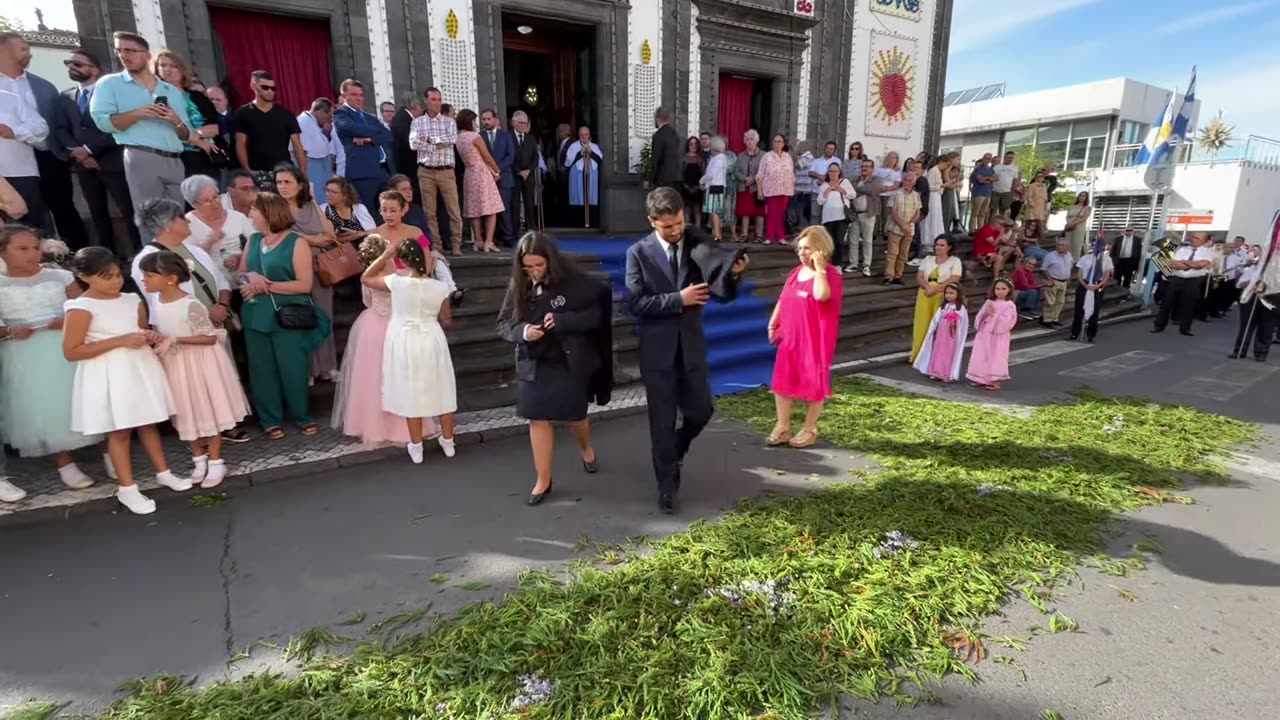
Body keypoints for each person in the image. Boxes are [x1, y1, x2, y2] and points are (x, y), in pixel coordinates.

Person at [625, 187, 749, 514]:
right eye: (668, 226)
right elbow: (636, 303)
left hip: (691, 349)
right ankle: (667, 485)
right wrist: (679, 299)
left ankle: (678, 447)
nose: (676, 230)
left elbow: (721, 289)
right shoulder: (637, 253)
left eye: (679, 222)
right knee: (661, 424)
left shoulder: (696, 242)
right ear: (653, 222)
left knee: (702, 410)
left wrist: (733, 275)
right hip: (658, 354)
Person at [63, 246, 191, 515]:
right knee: (120, 430)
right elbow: (72, 350)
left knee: (148, 422)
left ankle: (163, 472)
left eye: (117, 274)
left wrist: (149, 337)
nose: (116, 281)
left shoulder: (132, 299)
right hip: (109, 372)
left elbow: (140, 329)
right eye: (106, 277)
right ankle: (127, 488)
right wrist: (121, 340)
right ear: (85, 277)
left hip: (139, 366)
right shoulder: (80, 307)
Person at [498, 231, 612, 504]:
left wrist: (564, 320)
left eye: (539, 266)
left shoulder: (576, 284)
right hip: (534, 362)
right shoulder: (519, 285)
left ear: (551, 260)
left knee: (575, 417)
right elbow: (504, 323)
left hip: (567, 361)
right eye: (528, 268)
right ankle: (543, 479)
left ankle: (586, 448)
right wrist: (524, 331)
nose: (534, 272)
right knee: (537, 419)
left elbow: (596, 316)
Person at [0, 224, 102, 491]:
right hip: (25, 352)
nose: (31, 254)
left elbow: (85, 307)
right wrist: (10, 330)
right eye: (22, 249)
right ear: (3, 252)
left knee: (85, 395)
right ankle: (65, 464)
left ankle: (110, 452)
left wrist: (69, 319)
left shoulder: (59, 277)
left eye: (35, 248)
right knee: (45, 407)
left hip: (66, 342)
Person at [140, 251, 249, 488]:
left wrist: (175, 339)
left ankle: (217, 461)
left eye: (149, 275)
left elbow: (208, 338)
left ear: (170, 278)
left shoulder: (190, 303)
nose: (143, 280)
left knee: (206, 408)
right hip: (175, 363)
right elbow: (162, 329)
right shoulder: (156, 302)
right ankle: (198, 459)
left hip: (198, 363)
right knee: (186, 410)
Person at [237, 192, 332, 439]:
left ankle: (302, 416)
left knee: (293, 368)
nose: (250, 214)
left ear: (268, 213)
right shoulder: (254, 240)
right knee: (261, 370)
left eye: (254, 211)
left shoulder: (296, 242)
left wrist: (266, 285)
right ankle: (270, 419)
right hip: (256, 315)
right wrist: (250, 278)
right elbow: (241, 274)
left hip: (287, 316)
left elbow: (304, 284)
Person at [333, 234, 438, 447]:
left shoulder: (370, 278)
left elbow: (367, 300)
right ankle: (402, 426)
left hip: (371, 327)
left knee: (372, 379)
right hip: (395, 327)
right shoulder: (399, 276)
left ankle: (372, 425)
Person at [361, 236, 457, 462]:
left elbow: (366, 278)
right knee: (441, 387)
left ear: (402, 261)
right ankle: (448, 441)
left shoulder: (396, 281)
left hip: (405, 339)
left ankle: (416, 446)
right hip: (432, 337)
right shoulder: (440, 286)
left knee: (411, 389)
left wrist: (385, 255)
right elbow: (446, 318)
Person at [89, 31, 193, 212]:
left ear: (147, 54)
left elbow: (186, 135)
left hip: (175, 159)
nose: (124, 55)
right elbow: (103, 123)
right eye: (119, 50)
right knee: (152, 219)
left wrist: (175, 120)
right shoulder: (110, 83)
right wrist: (138, 113)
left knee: (178, 220)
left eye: (130, 50)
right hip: (141, 156)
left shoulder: (170, 90)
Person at [54, 47, 141, 255]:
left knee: (128, 211)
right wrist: (79, 153)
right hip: (83, 165)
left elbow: (120, 127)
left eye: (78, 64)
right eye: (69, 63)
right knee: (97, 213)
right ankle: (106, 257)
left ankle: (139, 255)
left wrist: (89, 150)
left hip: (113, 161)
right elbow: (60, 128)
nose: (72, 67)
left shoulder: (112, 95)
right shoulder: (65, 96)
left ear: (94, 70)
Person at [766, 226, 842, 447]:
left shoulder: (831, 275)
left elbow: (821, 295)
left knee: (813, 383)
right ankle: (783, 426)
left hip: (814, 338)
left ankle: (809, 429)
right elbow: (784, 298)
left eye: (807, 248)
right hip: (790, 335)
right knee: (782, 381)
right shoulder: (795, 272)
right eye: (799, 248)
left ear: (821, 249)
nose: (801, 252)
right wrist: (774, 322)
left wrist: (820, 269)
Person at [273, 163, 339, 382]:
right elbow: (282, 235)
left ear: (300, 185)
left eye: (287, 182)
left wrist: (317, 238)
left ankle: (328, 367)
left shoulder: (312, 206)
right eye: (279, 182)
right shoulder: (275, 208)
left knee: (324, 314)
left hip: (319, 265)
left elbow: (329, 234)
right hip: (291, 267)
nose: (282, 186)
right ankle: (308, 369)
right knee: (301, 317)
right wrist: (310, 239)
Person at [131, 198, 232, 324]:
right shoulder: (146, 260)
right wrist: (202, 318)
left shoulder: (196, 251)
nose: (188, 220)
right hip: (183, 333)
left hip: (217, 329)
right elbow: (157, 303)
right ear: (166, 224)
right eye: (181, 217)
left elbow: (222, 282)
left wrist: (222, 305)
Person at [0, 32, 54, 238]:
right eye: (23, 48)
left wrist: (14, 131)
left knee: (29, 231)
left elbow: (40, 127)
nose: (28, 53)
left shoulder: (8, 96)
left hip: (19, 172)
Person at [372, 190, 461, 301]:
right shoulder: (375, 234)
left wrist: (424, 274)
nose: (388, 215)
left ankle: (451, 291)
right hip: (390, 279)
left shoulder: (416, 231)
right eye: (384, 210)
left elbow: (426, 251)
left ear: (402, 211)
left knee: (436, 262)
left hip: (415, 274)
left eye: (393, 210)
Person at [153, 49, 223, 180]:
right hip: (176, 159)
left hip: (207, 159)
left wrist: (191, 135)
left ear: (182, 70)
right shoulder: (157, 98)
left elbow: (214, 129)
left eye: (173, 66)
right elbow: (166, 131)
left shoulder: (197, 97)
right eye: (163, 65)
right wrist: (199, 142)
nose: (168, 69)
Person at [409, 87, 463, 255]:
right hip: (426, 170)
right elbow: (413, 144)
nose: (437, 103)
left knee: (453, 209)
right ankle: (436, 244)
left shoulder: (449, 122)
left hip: (446, 171)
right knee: (429, 211)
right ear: (426, 100)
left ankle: (456, 244)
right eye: (433, 99)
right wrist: (436, 145)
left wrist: (429, 140)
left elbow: (451, 139)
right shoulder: (417, 122)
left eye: (439, 99)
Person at [334, 79, 392, 223]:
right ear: (344, 95)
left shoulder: (368, 117)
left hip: (381, 170)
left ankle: (386, 241)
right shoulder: (341, 114)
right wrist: (376, 131)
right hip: (361, 172)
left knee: (388, 209)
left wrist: (369, 139)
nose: (359, 98)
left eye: (361, 95)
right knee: (366, 213)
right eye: (354, 94)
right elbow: (352, 128)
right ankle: (371, 243)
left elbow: (388, 135)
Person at [233, 71, 303, 189]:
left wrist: (302, 174)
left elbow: (298, 146)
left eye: (273, 88)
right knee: (261, 207)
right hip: (257, 173)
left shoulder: (286, 114)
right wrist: (247, 170)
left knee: (286, 206)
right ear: (253, 86)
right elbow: (241, 144)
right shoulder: (243, 114)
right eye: (265, 87)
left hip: (284, 171)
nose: (270, 91)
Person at [455, 109, 504, 253]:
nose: (476, 123)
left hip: (469, 174)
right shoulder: (474, 136)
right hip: (482, 173)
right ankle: (489, 242)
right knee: (491, 209)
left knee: (474, 210)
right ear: (469, 121)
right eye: (474, 120)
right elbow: (486, 156)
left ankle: (478, 241)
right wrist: (496, 170)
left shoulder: (459, 137)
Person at [909, 235, 963, 363]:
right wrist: (927, 287)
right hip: (925, 293)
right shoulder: (928, 259)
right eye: (937, 245)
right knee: (921, 324)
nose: (938, 247)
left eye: (942, 245)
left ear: (949, 247)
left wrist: (937, 289)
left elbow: (954, 278)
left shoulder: (955, 261)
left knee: (940, 325)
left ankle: (936, 356)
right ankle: (917, 354)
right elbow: (920, 276)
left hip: (943, 294)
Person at [1153, 232, 1212, 336]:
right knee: (1166, 302)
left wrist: (1185, 263)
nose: (1194, 239)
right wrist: (1191, 264)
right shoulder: (1182, 249)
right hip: (1175, 278)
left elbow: (1201, 265)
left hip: (1193, 281)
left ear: (1204, 241)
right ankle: (1159, 325)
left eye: (1197, 238)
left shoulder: (1207, 252)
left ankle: (1185, 328)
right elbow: (1172, 263)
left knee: (1188, 305)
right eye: (1193, 237)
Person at [966, 277, 1018, 390]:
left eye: (1003, 289)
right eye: (997, 288)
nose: (1000, 291)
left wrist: (994, 317)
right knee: (982, 354)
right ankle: (980, 377)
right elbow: (980, 316)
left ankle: (994, 380)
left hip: (998, 335)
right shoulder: (989, 302)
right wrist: (984, 316)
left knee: (996, 355)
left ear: (1009, 290)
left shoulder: (1009, 305)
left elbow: (1008, 321)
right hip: (985, 332)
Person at [912, 283, 968, 383]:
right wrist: (934, 329)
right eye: (946, 293)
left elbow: (963, 323)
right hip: (941, 333)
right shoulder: (944, 306)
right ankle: (935, 371)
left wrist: (955, 322)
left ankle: (945, 373)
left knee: (948, 353)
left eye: (952, 293)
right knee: (938, 351)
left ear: (958, 294)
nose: (948, 295)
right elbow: (936, 319)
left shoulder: (960, 308)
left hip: (951, 335)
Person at [479, 108, 516, 246]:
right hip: (486, 178)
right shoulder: (479, 136)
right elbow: (478, 157)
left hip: (504, 177)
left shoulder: (505, 136)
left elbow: (510, 156)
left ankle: (508, 237)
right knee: (488, 210)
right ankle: (490, 238)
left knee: (505, 209)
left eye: (489, 119)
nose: (486, 122)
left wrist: (497, 170)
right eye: (484, 119)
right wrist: (490, 171)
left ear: (495, 119)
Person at [294, 98, 342, 195]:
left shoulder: (311, 121)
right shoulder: (304, 122)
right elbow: (301, 151)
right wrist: (303, 175)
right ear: (321, 112)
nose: (330, 118)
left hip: (320, 168)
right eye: (329, 114)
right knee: (318, 198)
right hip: (312, 167)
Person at [882, 168, 921, 286]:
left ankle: (898, 276)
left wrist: (909, 224)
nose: (907, 182)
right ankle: (889, 276)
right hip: (895, 227)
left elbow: (917, 211)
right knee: (892, 253)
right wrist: (902, 224)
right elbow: (892, 211)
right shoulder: (895, 193)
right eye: (905, 180)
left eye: (909, 180)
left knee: (903, 254)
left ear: (914, 183)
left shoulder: (916, 195)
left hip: (909, 229)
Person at [1071, 236, 1113, 343]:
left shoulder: (1107, 259)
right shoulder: (1085, 258)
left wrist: (1098, 286)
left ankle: (1091, 334)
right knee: (1079, 309)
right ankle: (1075, 332)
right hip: (1084, 283)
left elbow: (1107, 275)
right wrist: (1084, 284)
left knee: (1095, 310)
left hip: (1098, 285)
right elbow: (1079, 273)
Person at [757, 134, 795, 245]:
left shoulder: (787, 156)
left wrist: (792, 188)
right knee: (771, 213)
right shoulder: (767, 156)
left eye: (779, 141)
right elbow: (760, 175)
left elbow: (791, 174)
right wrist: (760, 190)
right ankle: (769, 236)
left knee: (781, 214)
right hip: (771, 190)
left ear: (783, 143)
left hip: (785, 190)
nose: (777, 143)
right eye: (775, 141)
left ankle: (781, 237)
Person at [850, 158, 884, 276]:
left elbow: (873, 189)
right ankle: (853, 264)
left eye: (867, 166)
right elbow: (851, 193)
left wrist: (858, 190)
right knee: (853, 240)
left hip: (868, 214)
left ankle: (866, 265)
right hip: (855, 214)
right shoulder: (855, 180)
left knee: (867, 240)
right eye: (863, 166)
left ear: (872, 169)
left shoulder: (876, 180)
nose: (864, 168)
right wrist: (863, 191)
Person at [815, 162, 853, 268]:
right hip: (828, 218)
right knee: (829, 242)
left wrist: (842, 190)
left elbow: (853, 194)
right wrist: (827, 191)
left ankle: (837, 265)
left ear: (839, 172)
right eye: (831, 171)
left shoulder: (845, 182)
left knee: (839, 242)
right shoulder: (824, 185)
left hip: (841, 217)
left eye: (835, 171)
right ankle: (828, 264)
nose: (833, 173)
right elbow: (819, 201)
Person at [566, 126, 603, 228]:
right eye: (582, 134)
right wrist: (580, 153)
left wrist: (591, 153)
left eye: (586, 134)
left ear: (589, 135)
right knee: (578, 197)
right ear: (579, 135)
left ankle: (591, 223)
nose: (584, 136)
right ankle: (577, 224)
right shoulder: (573, 146)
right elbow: (568, 162)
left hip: (591, 174)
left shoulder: (595, 146)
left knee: (591, 197)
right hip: (577, 175)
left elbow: (600, 160)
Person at [511, 111, 540, 234]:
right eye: (521, 123)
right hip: (514, 176)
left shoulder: (531, 138)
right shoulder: (508, 137)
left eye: (525, 123)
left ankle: (531, 230)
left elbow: (535, 157)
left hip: (528, 176)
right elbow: (508, 157)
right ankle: (515, 231)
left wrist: (529, 170)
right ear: (514, 123)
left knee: (529, 203)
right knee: (515, 204)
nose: (523, 125)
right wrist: (518, 171)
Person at [322, 176, 376, 242]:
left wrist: (358, 234)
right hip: (339, 250)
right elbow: (327, 239)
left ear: (345, 195)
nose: (328, 194)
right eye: (327, 190)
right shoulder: (322, 210)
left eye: (334, 192)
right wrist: (356, 235)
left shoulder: (359, 208)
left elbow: (374, 232)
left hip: (365, 247)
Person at [390, 94, 423, 199]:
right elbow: (409, 142)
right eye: (420, 105)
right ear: (414, 105)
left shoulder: (402, 117)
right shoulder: (404, 119)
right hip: (408, 165)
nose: (421, 109)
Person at [735, 130, 765, 241]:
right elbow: (736, 171)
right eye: (747, 139)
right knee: (744, 212)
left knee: (759, 212)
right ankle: (744, 234)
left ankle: (759, 235)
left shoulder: (763, 155)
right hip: (744, 187)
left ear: (756, 141)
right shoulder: (741, 156)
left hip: (757, 188)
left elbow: (765, 170)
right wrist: (744, 178)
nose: (749, 142)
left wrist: (754, 178)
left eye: (751, 139)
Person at [1039, 238, 1075, 328]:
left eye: (1062, 245)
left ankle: (1054, 318)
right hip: (1053, 280)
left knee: (1060, 301)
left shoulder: (1069, 255)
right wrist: (1049, 279)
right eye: (1058, 244)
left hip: (1064, 281)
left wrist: (1068, 277)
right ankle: (1047, 319)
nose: (1059, 247)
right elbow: (1044, 269)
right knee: (1050, 301)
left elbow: (1069, 266)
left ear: (1067, 247)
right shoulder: (1050, 256)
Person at [699, 135, 729, 242]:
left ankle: (717, 234)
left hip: (715, 187)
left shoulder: (718, 159)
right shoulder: (718, 158)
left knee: (714, 212)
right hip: (716, 186)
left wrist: (701, 181)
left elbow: (711, 174)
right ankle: (716, 233)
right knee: (714, 212)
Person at [649, 107, 683, 190]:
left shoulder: (659, 135)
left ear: (657, 118)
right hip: (676, 176)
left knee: (662, 202)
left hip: (663, 178)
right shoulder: (675, 134)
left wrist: (651, 179)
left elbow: (656, 157)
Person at [1011, 255, 1046, 320]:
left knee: (1037, 290)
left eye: (1033, 265)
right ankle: (1025, 311)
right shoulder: (1020, 271)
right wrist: (1038, 285)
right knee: (1032, 291)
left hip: (1023, 290)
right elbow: (1024, 285)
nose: (1031, 266)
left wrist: (1039, 285)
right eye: (1029, 263)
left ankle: (1032, 310)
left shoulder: (1029, 272)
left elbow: (1033, 283)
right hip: (1015, 291)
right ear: (1024, 262)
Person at [682, 136, 706, 226]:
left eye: (695, 144)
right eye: (691, 144)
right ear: (688, 145)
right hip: (685, 187)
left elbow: (704, 173)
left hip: (698, 187)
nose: (693, 146)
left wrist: (698, 186)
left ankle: (698, 231)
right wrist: (686, 186)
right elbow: (681, 173)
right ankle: (687, 232)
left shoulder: (700, 159)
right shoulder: (684, 159)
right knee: (686, 210)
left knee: (697, 210)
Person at [969, 154, 995, 228]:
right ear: (983, 158)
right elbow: (981, 180)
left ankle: (980, 228)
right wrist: (989, 179)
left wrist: (986, 179)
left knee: (983, 213)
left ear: (990, 160)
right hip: (978, 193)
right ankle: (972, 229)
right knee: (975, 212)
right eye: (985, 158)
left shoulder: (991, 169)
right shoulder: (978, 169)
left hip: (988, 193)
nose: (987, 160)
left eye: (989, 159)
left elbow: (996, 178)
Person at [1063, 192, 1092, 259]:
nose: (1081, 197)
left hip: (1079, 227)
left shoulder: (1087, 208)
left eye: (1083, 196)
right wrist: (1069, 222)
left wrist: (1074, 223)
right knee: (1067, 243)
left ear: (1086, 198)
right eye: (1080, 195)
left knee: (1076, 245)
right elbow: (1067, 216)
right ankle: (1067, 259)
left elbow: (1084, 217)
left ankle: (1076, 261)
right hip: (1070, 227)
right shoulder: (1072, 206)